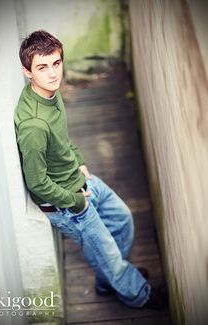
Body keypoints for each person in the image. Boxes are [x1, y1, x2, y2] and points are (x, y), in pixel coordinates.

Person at [14, 30, 167, 309]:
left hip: (80, 179)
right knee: (107, 253)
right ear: (27, 72)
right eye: (42, 67)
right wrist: (75, 202)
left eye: (56, 63)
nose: (52, 74)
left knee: (121, 220)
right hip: (68, 204)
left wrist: (79, 160)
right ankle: (140, 295)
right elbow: (36, 182)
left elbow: (61, 139)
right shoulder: (33, 126)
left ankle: (109, 279)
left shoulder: (48, 93)